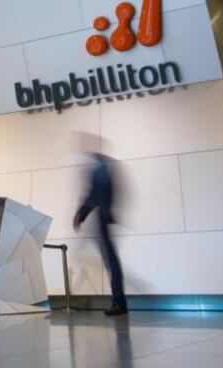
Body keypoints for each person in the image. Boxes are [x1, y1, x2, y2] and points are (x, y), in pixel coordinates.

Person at [72, 134, 128, 316]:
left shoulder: (102, 166)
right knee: (111, 261)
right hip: (105, 219)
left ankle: (119, 303)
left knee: (111, 261)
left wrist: (82, 213)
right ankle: (118, 301)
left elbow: (95, 195)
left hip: (104, 220)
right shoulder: (103, 166)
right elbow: (96, 194)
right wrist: (82, 213)